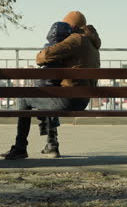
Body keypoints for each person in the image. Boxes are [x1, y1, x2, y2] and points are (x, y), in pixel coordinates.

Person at [1, 11, 102, 160]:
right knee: (51, 92)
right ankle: (52, 145)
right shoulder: (93, 44)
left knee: (23, 98)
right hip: (83, 100)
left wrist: (40, 55)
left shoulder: (76, 39)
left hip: (69, 100)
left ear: (72, 26)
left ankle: (20, 147)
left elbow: (45, 56)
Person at [35, 21, 73, 157]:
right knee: (52, 101)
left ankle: (50, 143)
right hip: (59, 93)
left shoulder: (47, 49)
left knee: (44, 102)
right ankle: (52, 142)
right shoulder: (68, 50)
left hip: (43, 91)